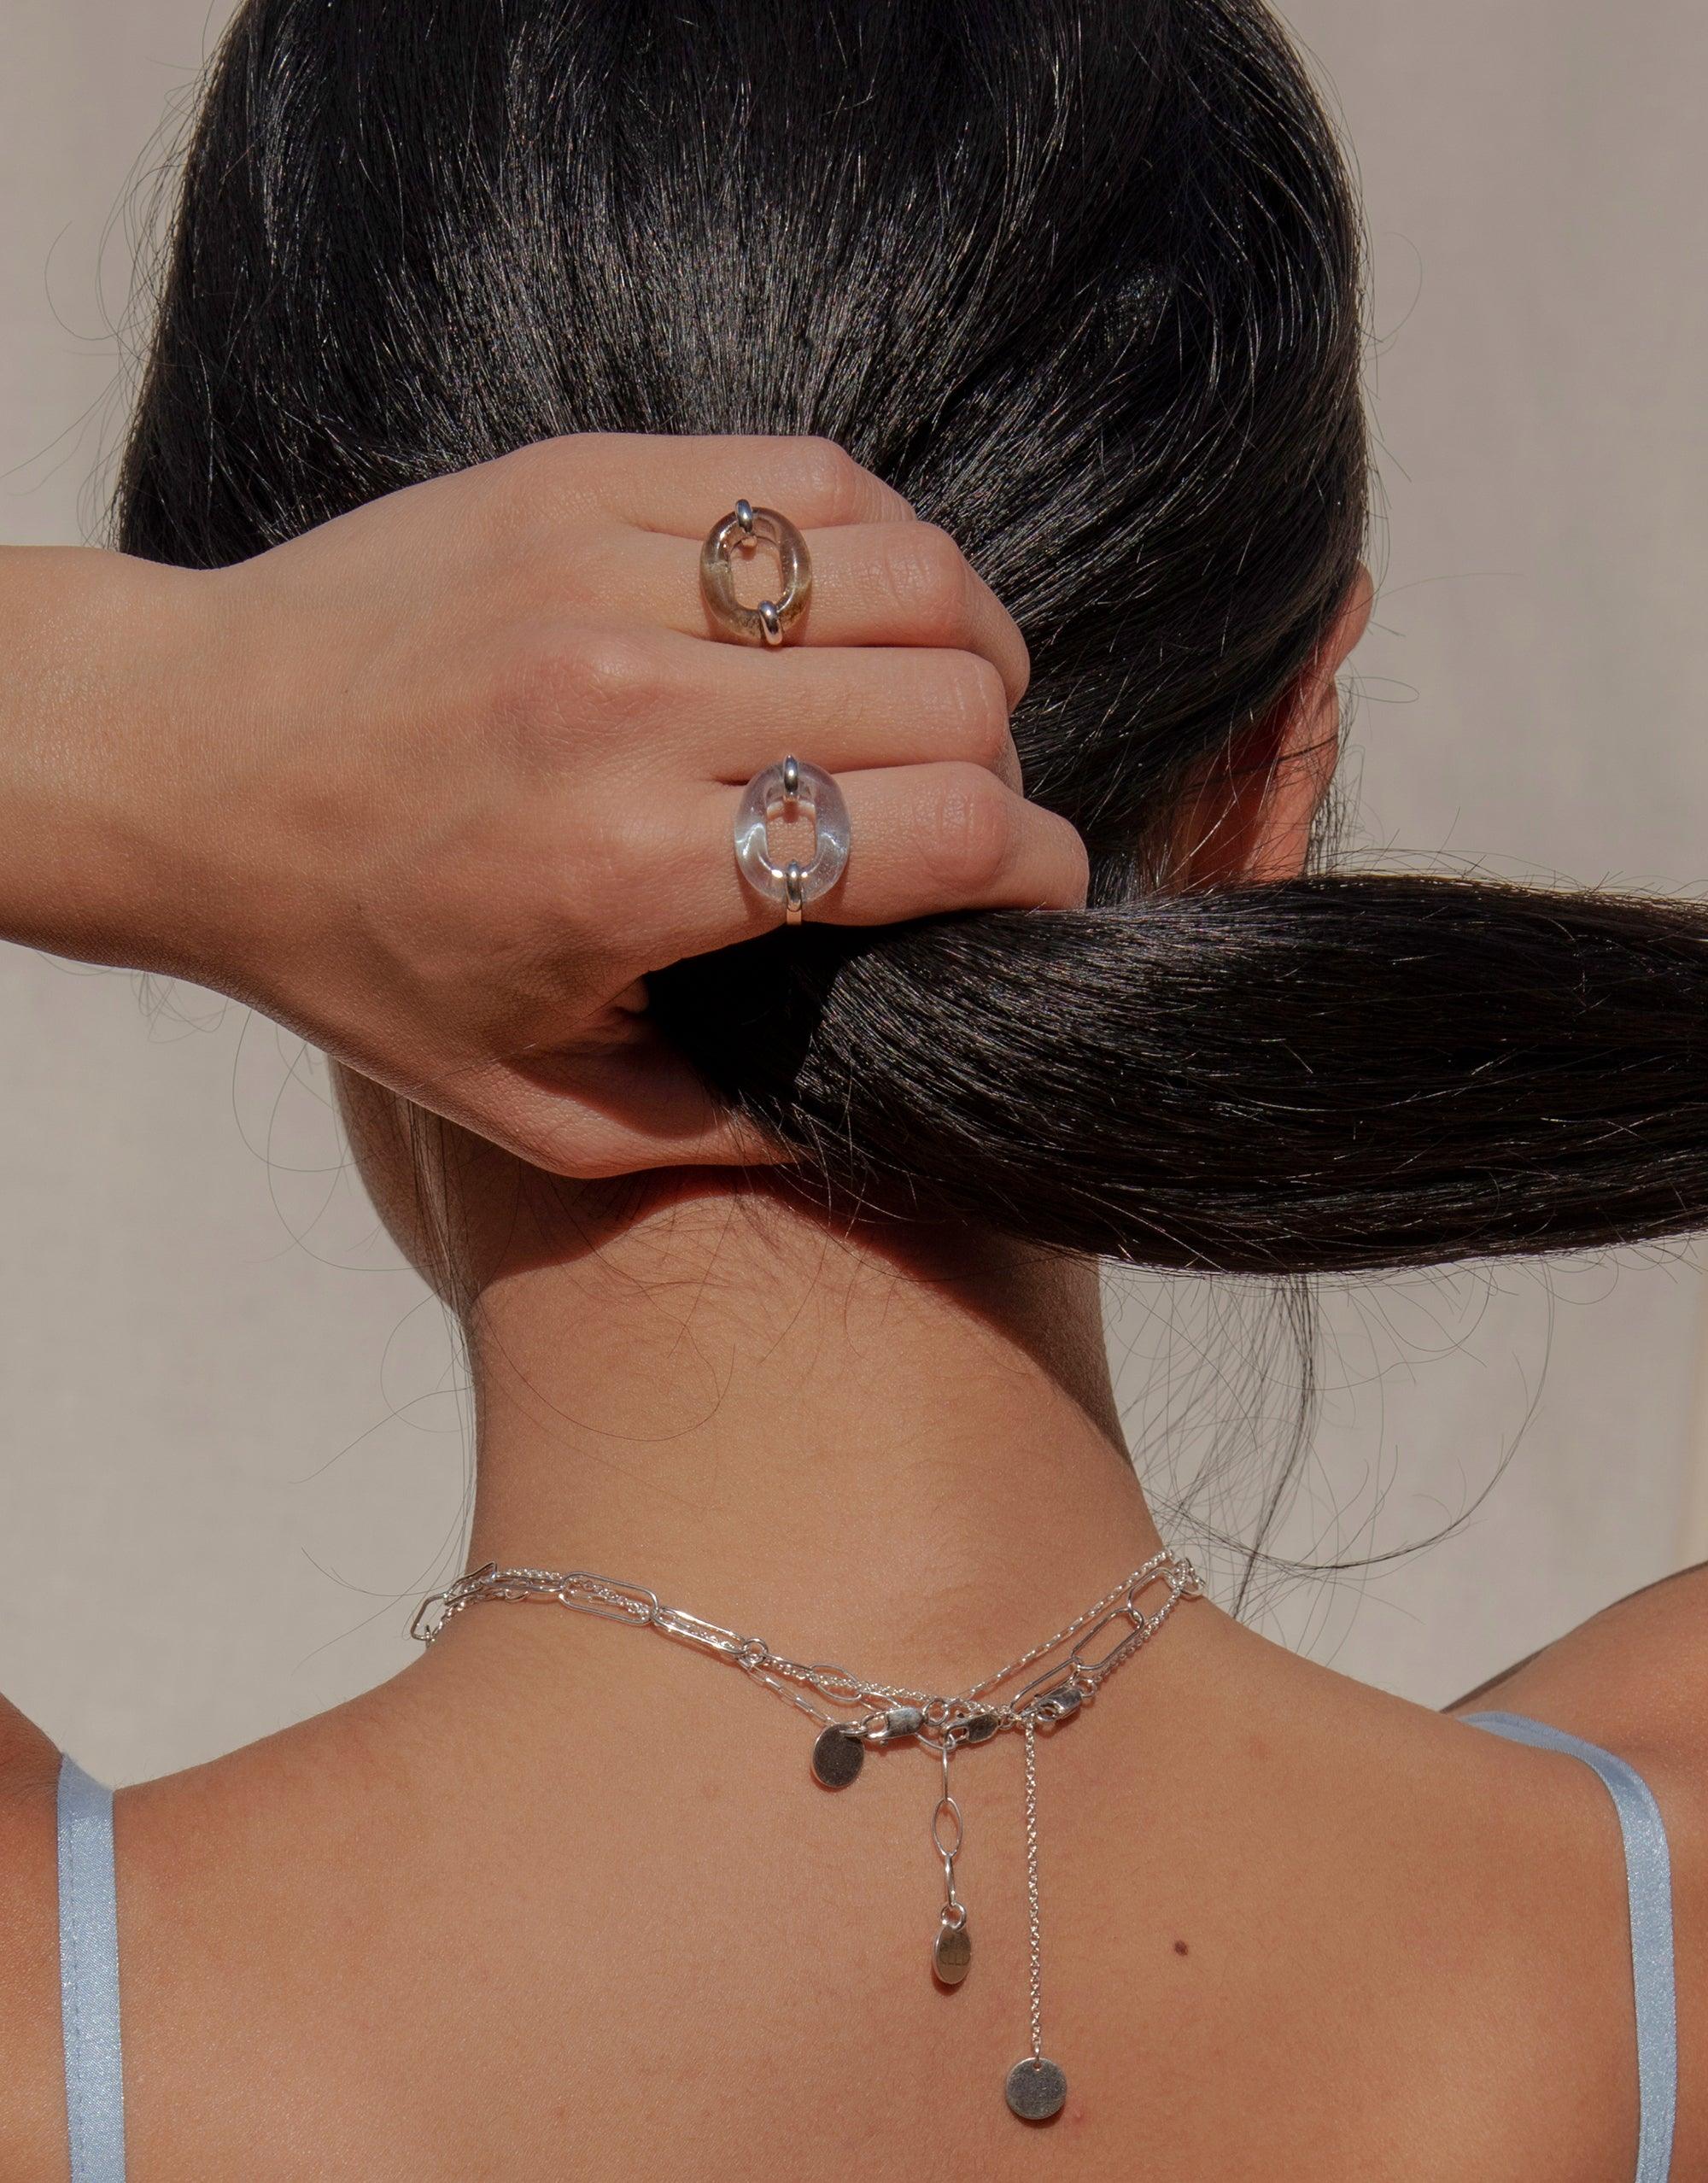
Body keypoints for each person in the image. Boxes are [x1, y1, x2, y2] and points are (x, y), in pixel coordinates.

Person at [2, 0, 1703, 2174]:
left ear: (291, 847)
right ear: (1277, 771)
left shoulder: (60, 2030)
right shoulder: (1642, 1937)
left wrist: (139, 733)